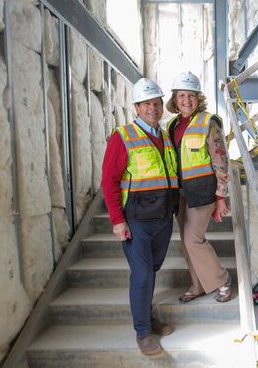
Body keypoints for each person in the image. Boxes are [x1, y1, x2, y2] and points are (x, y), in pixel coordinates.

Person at [101, 78, 178, 356]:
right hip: (136, 220)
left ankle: (148, 318)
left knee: (151, 271)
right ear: (136, 107)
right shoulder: (123, 136)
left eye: (157, 103)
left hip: (163, 217)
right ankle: (143, 332)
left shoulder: (165, 136)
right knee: (143, 274)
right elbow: (109, 181)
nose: (153, 108)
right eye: (147, 103)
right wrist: (117, 221)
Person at [165, 71, 233, 303]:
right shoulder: (173, 125)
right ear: (174, 99)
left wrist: (221, 196)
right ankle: (198, 285)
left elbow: (220, 159)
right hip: (181, 193)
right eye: (181, 95)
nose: (186, 100)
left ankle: (222, 280)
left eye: (191, 95)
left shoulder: (208, 122)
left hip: (203, 192)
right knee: (186, 243)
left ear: (198, 98)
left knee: (194, 239)